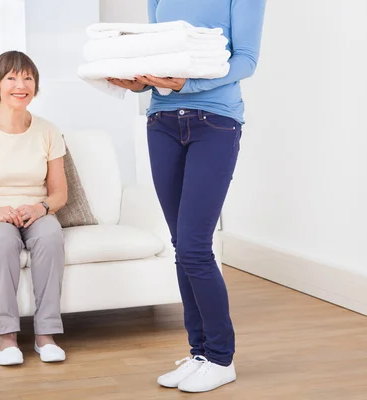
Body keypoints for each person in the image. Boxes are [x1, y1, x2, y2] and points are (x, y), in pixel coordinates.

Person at [108, 0, 267, 393]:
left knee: (196, 246)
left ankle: (221, 358)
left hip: (215, 122)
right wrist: (140, 81)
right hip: (161, 122)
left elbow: (246, 60)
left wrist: (189, 84)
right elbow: (160, 57)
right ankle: (199, 354)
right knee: (182, 244)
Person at [0, 50, 68, 366]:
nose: (21, 85)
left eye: (28, 77)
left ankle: (45, 336)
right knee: (4, 239)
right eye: (12, 78)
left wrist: (41, 207)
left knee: (50, 236)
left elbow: (59, 193)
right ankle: (6, 338)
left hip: (33, 212)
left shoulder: (48, 130)